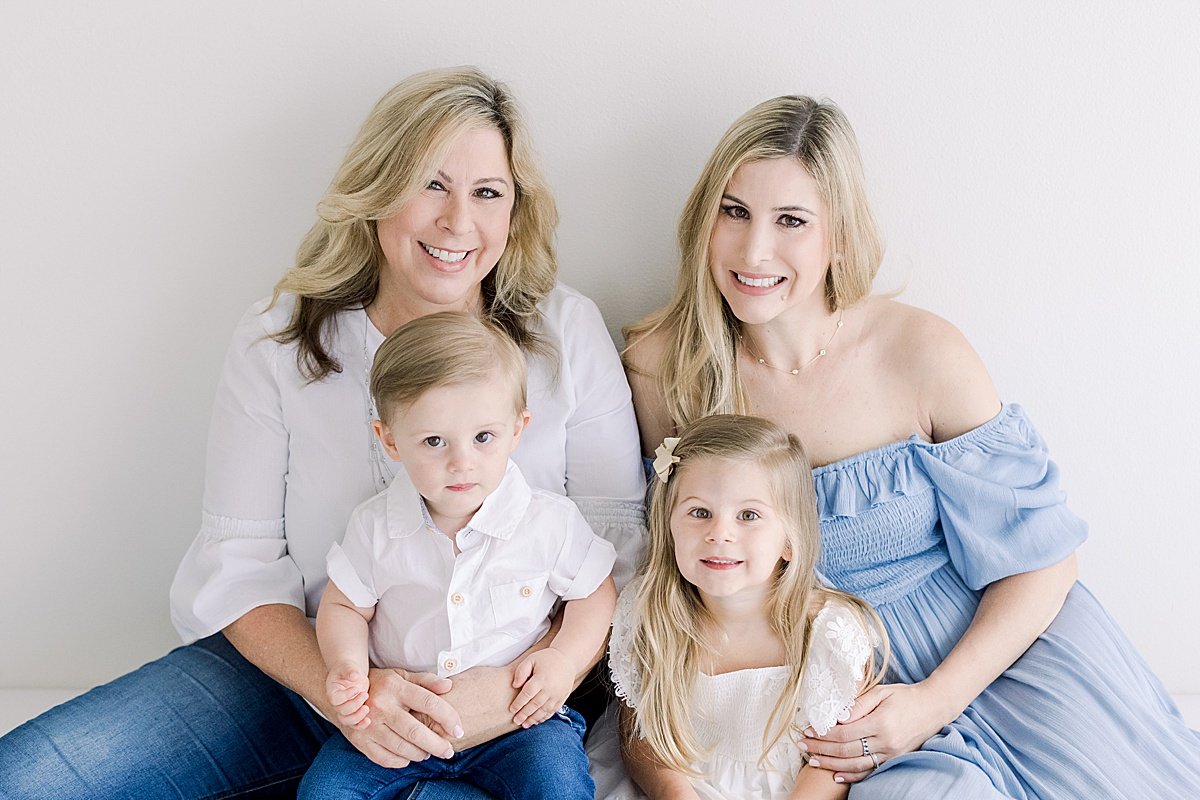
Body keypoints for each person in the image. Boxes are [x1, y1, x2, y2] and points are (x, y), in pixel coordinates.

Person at [0, 66, 646, 799]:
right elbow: (239, 560)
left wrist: (506, 687)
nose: (457, 223)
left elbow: (619, 552)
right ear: (377, 191)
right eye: (430, 184)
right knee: (22, 780)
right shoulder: (278, 341)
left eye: (487, 193)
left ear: (513, 211)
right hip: (297, 675)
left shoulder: (561, 334)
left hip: (509, 702)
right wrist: (349, 690)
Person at [622, 95, 1200, 797]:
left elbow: (1044, 562)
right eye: (734, 211)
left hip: (1003, 655)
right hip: (843, 696)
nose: (754, 251)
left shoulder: (920, 350)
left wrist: (933, 701)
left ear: (838, 234)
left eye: (792, 222)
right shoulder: (663, 367)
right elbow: (667, 572)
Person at [299, 312, 616, 799]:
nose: (461, 461)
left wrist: (562, 660)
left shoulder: (547, 522)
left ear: (517, 429)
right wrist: (346, 667)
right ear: (390, 440)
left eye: (483, 437)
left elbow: (594, 595)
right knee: (325, 792)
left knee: (558, 786)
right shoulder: (375, 526)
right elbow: (344, 606)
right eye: (433, 441)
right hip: (400, 723)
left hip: (521, 726)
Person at [610, 415, 887, 800]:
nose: (720, 533)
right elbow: (639, 739)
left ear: (789, 541)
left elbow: (835, 761)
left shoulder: (828, 632)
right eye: (700, 512)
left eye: (749, 516)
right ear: (668, 524)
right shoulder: (650, 615)